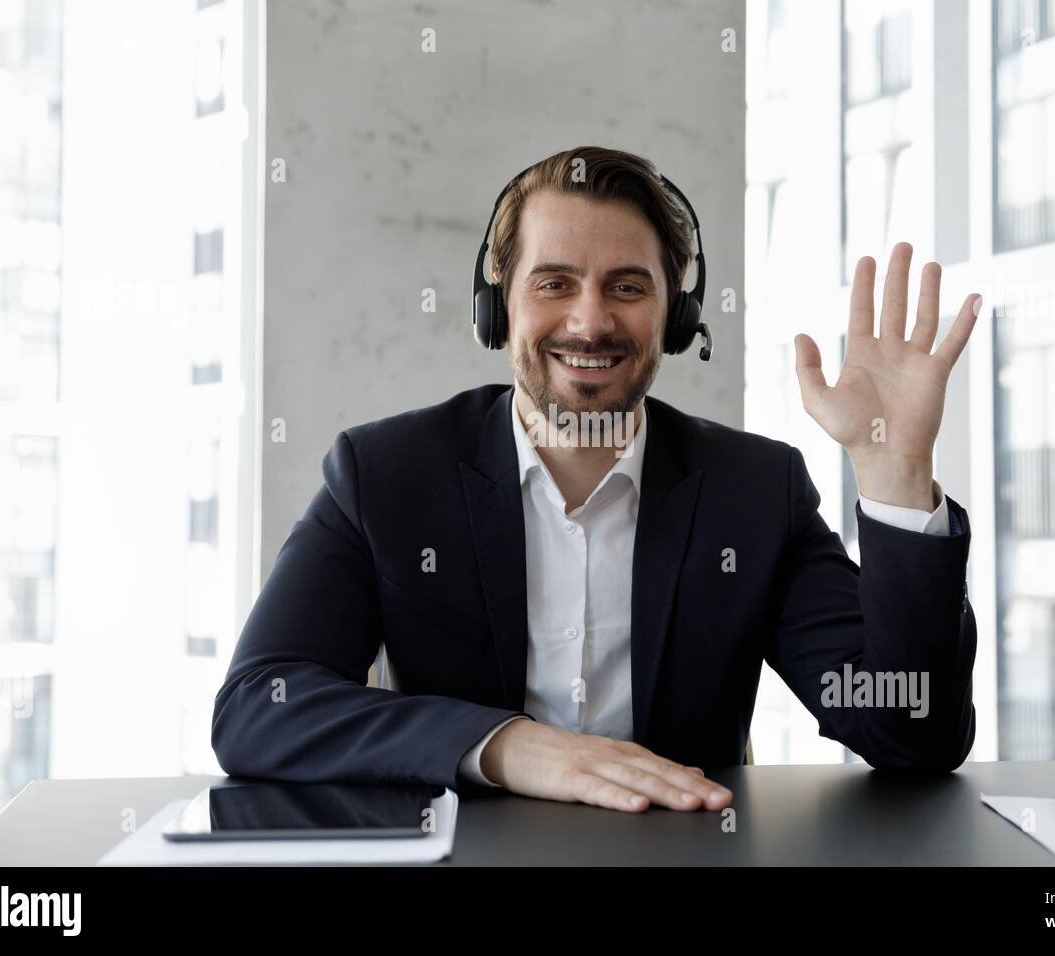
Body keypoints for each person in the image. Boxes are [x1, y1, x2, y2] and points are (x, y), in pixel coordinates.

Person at [212, 145, 982, 814]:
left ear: (674, 316)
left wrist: (896, 469)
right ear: (497, 309)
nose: (590, 322)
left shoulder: (754, 490)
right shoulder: (385, 474)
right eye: (553, 284)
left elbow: (910, 732)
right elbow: (257, 706)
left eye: (627, 286)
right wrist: (509, 746)